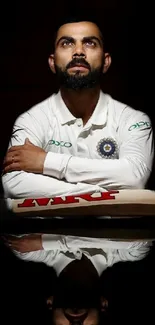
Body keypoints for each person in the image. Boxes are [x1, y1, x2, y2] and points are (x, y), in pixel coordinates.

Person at [2, 14, 154, 276]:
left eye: (90, 43)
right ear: (52, 62)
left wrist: (47, 162)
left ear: (106, 62)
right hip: (43, 236)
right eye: (67, 44)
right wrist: (105, 194)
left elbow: (135, 177)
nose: (79, 52)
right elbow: (13, 183)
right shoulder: (31, 119)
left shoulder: (134, 120)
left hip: (118, 238)